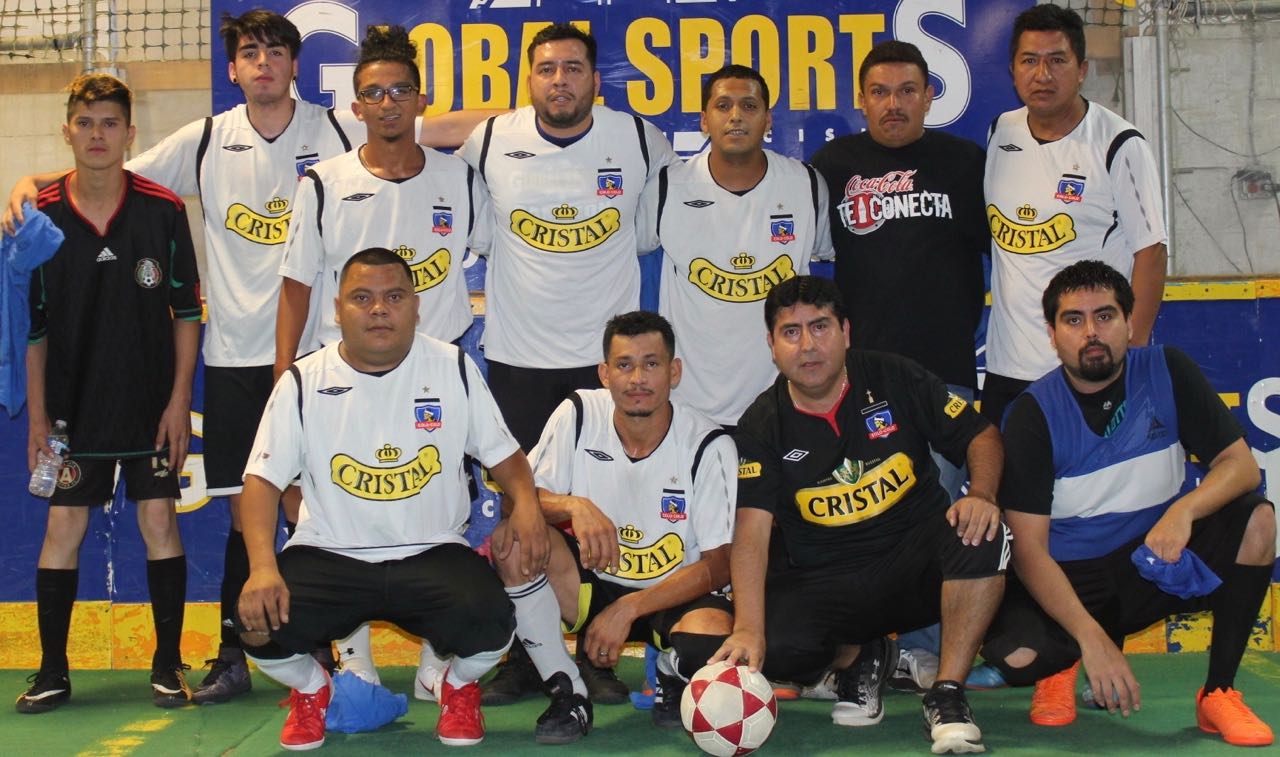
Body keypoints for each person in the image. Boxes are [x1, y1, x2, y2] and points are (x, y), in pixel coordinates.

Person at [235, 248, 550, 750]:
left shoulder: (453, 367)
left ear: (416, 307)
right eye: (362, 298)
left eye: (394, 297)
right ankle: (313, 690)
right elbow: (261, 482)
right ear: (338, 309)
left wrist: (528, 507)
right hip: (329, 552)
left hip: (431, 550)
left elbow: (507, 459)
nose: (379, 309)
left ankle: (458, 687)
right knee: (253, 622)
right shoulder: (302, 380)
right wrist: (261, 568)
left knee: (493, 621)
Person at [456, 21, 678, 705]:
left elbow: (651, 231)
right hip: (518, 360)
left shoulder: (638, 139)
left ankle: (598, 655)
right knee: (521, 510)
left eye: (573, 68)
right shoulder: (489, 140)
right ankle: (531, 655)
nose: (560, 80)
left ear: (595, 80)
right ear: (529, 80)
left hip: (605, 369)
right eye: (547, 68)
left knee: (606, 512)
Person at [272, 25, 489, 693]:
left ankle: (436, 659)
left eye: (400, 91)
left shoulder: (461, 178)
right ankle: (356, 664)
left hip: (435, 376)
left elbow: (495, 257)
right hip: (344, 378)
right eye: (373, 93)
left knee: (441, 507)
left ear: (421, 100)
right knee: (342, 513)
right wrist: (284, 378)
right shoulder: (324, 183)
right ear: (356, 105)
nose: (387, 103)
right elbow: (296, 286)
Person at [980, 260, 1275, 747]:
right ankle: (1063, 666)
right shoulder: (1032, 413)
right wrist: (1093, 641)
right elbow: (1029, 551)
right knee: (1019, 659)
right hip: (1071, 578)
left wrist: (1183, 512)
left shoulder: (1168, 370)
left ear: (1130, 322)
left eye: (1105, 316)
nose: (1091, 332)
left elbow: (1241, 468)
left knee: (1258, 522)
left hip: (1150, 564)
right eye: (1073, 320)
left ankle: (1219, 693)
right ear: (1052, 334)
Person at [712, 276, 1008, 755]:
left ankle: (947, 693)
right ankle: (862, 656)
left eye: (820, 327)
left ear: (846, 332)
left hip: (918, 565)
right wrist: (748, 625)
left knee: (983, 532)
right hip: (831, 581)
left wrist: (984, 494)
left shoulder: (895, 376)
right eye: (791, 332)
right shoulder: (761, 424)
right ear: (771, 345)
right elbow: (751, 533)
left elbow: (981, 435)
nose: (808, 345)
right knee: (771, 645)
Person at [14, 73, 202, 713]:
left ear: (130, 133)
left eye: (110, 123)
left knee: (159, 520)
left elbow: (186, 314)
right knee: (62, 525)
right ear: (66, 131)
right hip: (74, 410)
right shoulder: (41, 216)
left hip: (151, 407)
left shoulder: (163, 210)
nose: (97, 134)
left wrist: (178, 402)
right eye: (85, 122)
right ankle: (52, 671)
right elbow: (33, 330)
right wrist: (38, 419)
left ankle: (167, 664)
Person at [809, 39, 990, 692]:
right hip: (855, 382)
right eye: (880, 92)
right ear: (861, 99)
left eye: (907, 90)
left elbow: (1011, 256)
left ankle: (921, 650)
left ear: (928, 96)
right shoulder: (832, 166)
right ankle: (850, 654)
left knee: (933, 517)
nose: (893, 103)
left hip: (943, 372)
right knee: (852, 516)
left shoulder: (965, 163)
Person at [489, 311, 736, 743]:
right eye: (624, 365)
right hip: (593, 583)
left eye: (651, 364)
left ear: (674, 372)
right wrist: (573, 505)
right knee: (512, 540)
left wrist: (630, 608)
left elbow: (719, 565)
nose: (637, 378)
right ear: (605, 374)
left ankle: (671, 671)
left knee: (712, 646)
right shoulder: (579, 413)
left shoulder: (709, 444)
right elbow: (514, 502)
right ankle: (568, 689)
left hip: (672, 595)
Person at [982, 3, 1167, 425]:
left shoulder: (1119, 144)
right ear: (1012, 70)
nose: (1042, 75)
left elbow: (1152, 252)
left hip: (1088, 370)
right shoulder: (1000, 131)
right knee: (1006, 471)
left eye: (1057, 61)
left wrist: (1129, 354)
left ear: (1081, 69)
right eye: (1029, 61)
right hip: (1009, 369)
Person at [637, 64, 832, 429]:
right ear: (704, 120)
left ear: (768, 120)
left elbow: (826, 270)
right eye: (723, 106)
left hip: (783, 400)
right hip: (690, 404)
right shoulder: (666, 187)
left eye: (749, 106)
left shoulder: (805, 184)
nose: (736, 116)